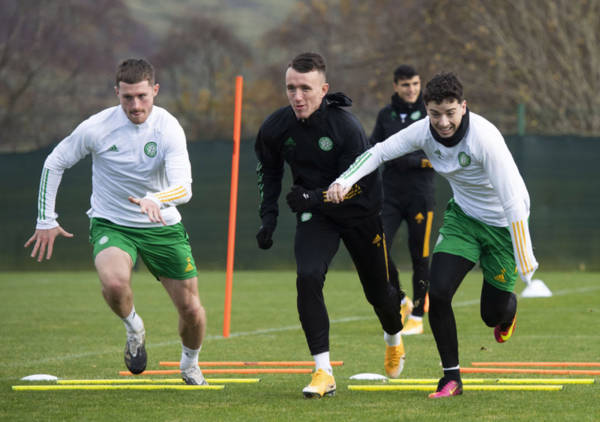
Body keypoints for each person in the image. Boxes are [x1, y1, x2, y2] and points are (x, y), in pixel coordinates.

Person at [327, 72, 538, 398]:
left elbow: (513, 200)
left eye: (450, 113)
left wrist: (526, 263)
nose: (442, 122)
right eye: (435, 113)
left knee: (492, 314)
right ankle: (451, 378)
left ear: (463, 107)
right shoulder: (423, 130)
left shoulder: (485, 138)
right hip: (463, 220)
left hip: (503, 226)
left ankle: (507, 313)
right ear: (427, 109)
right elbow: (380, 151)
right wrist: (344, 180)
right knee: (437, 293)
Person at [24, 58, 208, 385]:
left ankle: (189, 364)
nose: (135, 105)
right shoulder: (97, 127)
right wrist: (45, 218)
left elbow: (185, 188)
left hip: (161, 226)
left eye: (142, 96)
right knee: (114, 283)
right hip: (112, 223)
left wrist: (157, 199)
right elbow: (55, 162)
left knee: (192, 311)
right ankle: (134, 328)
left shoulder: (168, 128)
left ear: (155, 90)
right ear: (116, 93)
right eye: (127, 98)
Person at [255, 52, 406, 398]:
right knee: (308, 277)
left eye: (305, 89)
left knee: (381, 295)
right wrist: (269, 217)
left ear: (324, 89)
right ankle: (323, 371)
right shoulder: (277, 127)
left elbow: (362, 185)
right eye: (291, 88)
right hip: (317, 218)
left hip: (361, 213)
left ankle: (394, 338)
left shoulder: (346, 128)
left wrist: (313, 198)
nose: (297, 97)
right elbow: (269, 170)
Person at [370, 65, 434, 335]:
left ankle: (418, 316)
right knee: (375, 248)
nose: (412, 89)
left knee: (420, 255)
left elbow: (436, 156)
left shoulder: (431, 114)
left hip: (420, 196)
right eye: (406, 84)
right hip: (390, 195)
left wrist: (408, 159)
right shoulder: (386, 115)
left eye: (416, 84)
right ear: (395, 86)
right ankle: (400, 299)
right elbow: (376, 149)